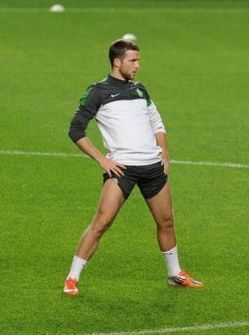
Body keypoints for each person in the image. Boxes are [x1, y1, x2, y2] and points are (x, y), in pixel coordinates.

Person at [63, 39, 203, 296]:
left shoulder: (140, 90)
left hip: (152, 167)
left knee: (166, 221)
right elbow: (75, 130)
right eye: (133, 61)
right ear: (117, 62)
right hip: (122, 169)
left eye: (138, 60)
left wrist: (164, 151)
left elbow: (156, 122)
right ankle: (72, 278)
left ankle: (175, 274)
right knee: (102, 222)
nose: (137, 66)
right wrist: (102, 160)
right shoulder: (98, 92)